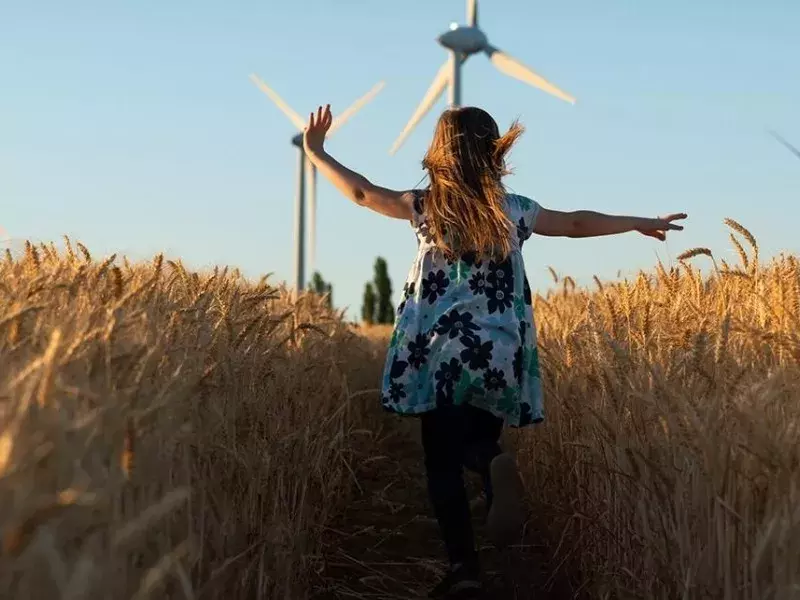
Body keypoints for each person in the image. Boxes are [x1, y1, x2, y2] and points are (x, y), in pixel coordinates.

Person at [303, 104, 686, 598]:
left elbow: (362, 193)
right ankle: (490, 464)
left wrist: (317, 152)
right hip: (500, 352)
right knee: (478, 439)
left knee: (440, 462)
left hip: (441, 352)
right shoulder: (514, 210)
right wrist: (637, 222)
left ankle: (463, 569)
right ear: (495, 152)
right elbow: (573, 223)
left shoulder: (425, 207)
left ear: (439, 154)